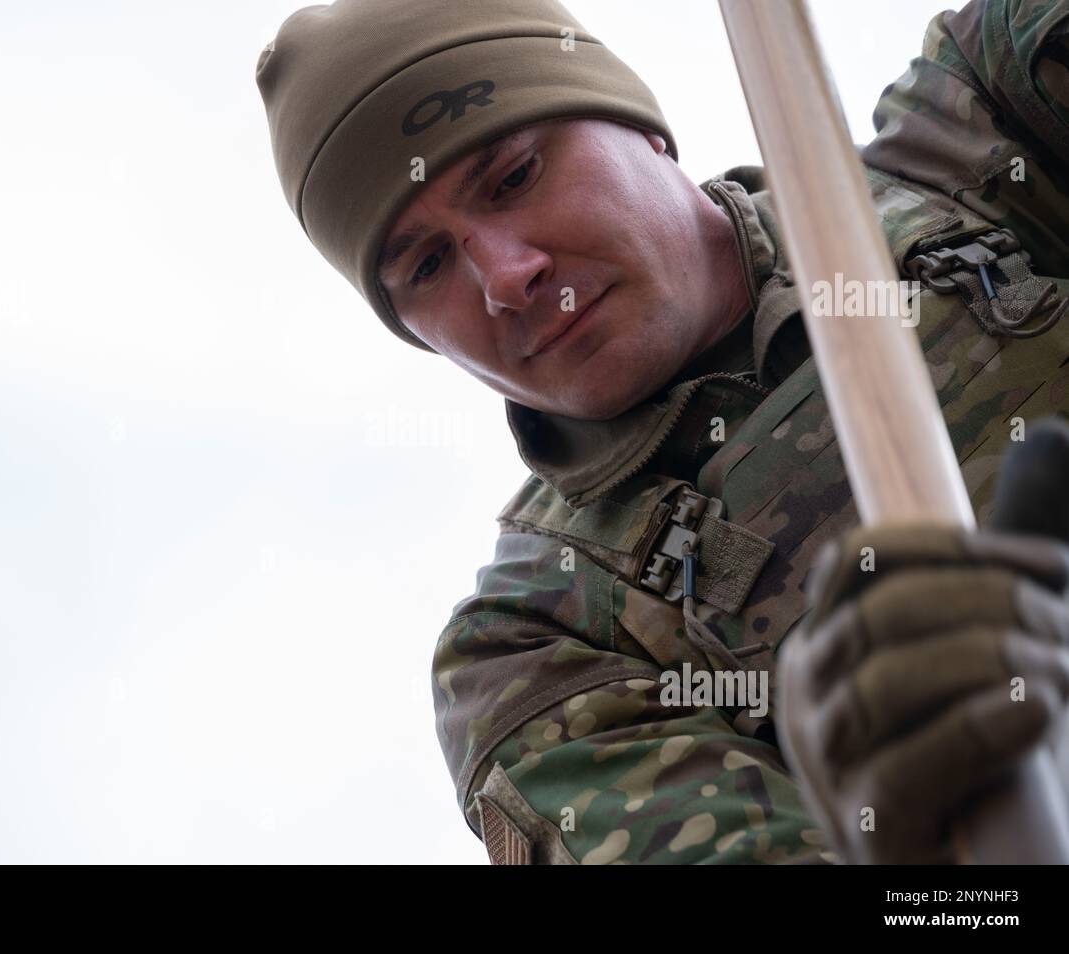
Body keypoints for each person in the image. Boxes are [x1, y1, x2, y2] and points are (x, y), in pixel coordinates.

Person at [255, 0, 1069, 864]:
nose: (506, 276)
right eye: (426, 265)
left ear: (639, 126)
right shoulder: (534, 647)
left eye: (513, 177)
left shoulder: (973, 140)